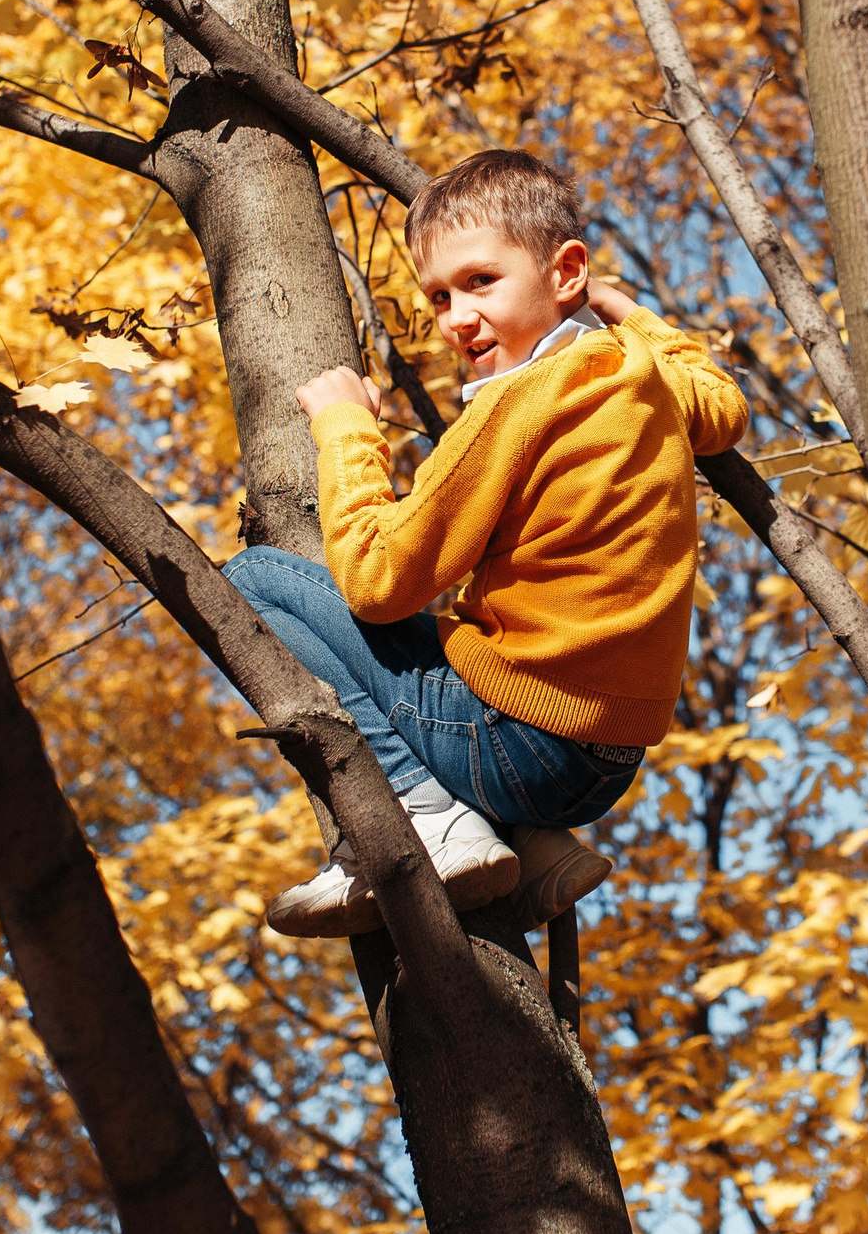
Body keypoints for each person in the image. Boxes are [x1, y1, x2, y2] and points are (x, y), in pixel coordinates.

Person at [225, 148, 750, 937]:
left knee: (255, 576)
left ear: (563, 271)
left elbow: (376, 578)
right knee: (458, 636)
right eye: (438, 296)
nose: (454, 319)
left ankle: (427, 812)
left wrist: (346, 429)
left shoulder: (511, 407)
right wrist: (622, 307)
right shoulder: (639, 370)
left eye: (480, 282)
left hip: (515, 744)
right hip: (605, 766)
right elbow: (725, 406)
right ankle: (534, 848)